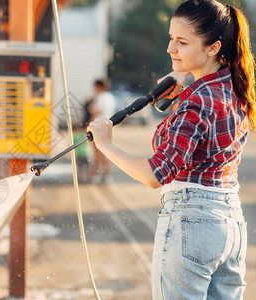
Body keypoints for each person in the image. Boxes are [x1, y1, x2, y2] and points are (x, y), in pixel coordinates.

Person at [87, 0, 255, 299]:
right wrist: (186, 87)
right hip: (231, 224)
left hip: (192, 223)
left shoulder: (197, 101)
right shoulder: (235, 87)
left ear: (213, 47)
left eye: (182, 41)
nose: (170, 48)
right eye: (171, 37)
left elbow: (155, 174)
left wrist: (106, 145)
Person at [88, 79, 116, 183]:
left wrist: (89, 126)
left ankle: (96, 174)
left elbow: (95, 111)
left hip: (99, 127)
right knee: (106, 151)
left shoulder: (100, 97)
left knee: (98, 152)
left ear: (98, 87)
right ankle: (106, 174)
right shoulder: (110, 97)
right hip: (108, 127)